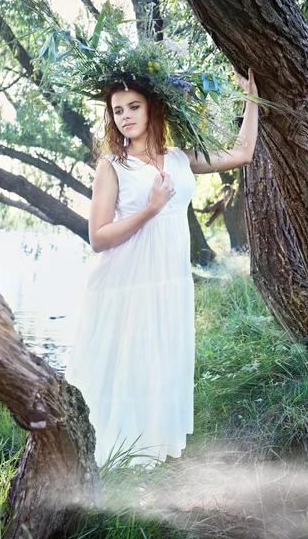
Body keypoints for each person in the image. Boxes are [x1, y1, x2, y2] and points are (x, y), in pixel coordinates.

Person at [65, 67, 258, 467]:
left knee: (158, 358)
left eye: (133, 106)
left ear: (154, 107)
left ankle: (148, 450)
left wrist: (251, 94)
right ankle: (106, 456)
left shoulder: (179, 159)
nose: (125, 116)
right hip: (125, 280)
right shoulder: (112, 166)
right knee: (123, 364)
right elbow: (98, 237)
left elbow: (243, 153)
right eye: (117, 111)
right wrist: (151, 209)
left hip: (168, 280)